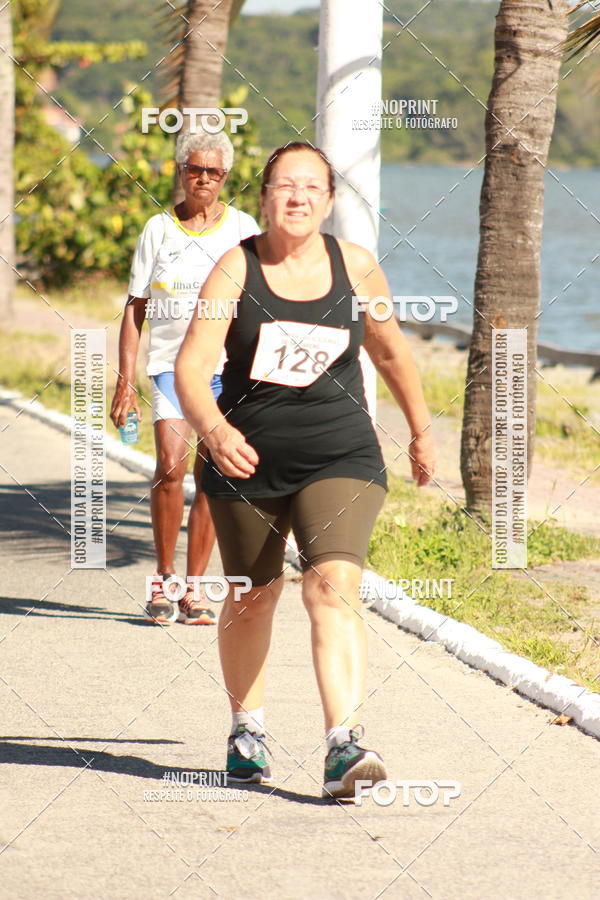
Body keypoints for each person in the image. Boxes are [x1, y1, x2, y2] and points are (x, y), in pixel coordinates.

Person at [175, 142, 436, 798]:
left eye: (311, 187)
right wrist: (214, 428)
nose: (297, 197)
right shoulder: (235, 270)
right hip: (245, 460)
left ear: (328, 200)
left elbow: (392, 352)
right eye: (284, 186)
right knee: (253, 592)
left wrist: (422, 432)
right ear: (262, 197)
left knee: (331, 586)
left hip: (339, 454)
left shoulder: (357, 269)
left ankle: (343, 746)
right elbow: (191, 364)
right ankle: (246, 731)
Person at [110, 130, 259, 625]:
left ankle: (194, 590)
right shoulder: (158, 229)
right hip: (172, 367)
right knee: (171, 467)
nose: (203, 179)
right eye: (194, 169)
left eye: (213, 172)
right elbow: (136, 308)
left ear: (225, 178)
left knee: (212, 479)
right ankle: (163, 579)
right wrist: (125, 382)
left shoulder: (243, 229)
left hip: (226, 373)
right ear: (181, 172)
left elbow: (262, 301)